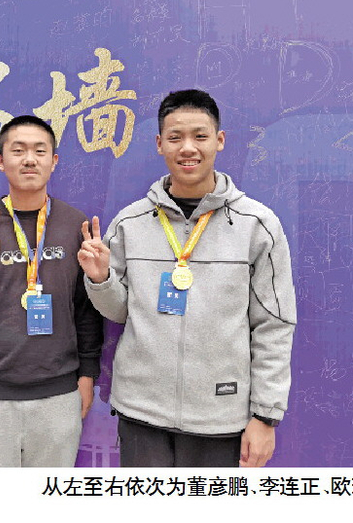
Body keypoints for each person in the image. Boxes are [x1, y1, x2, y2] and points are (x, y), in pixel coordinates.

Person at [78, 89, 296, 468]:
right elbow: (119, 312)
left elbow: (273, 326)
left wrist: (265, 416)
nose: (188, 148)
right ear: (160, 144)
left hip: (221, 417)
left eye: (200, 136)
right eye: (175, 137)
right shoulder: (130, 222)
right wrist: (100, 280)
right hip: (142, 412)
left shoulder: (257, 225)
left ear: (219, 140)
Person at [0, 115, 103, 467]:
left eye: (39, 151)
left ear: (54, 161)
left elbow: (86, 309)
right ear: (1, 161)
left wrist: (88, 374)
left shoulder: (73, 224)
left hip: (59, 395)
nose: (29, 159)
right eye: (18, 151)